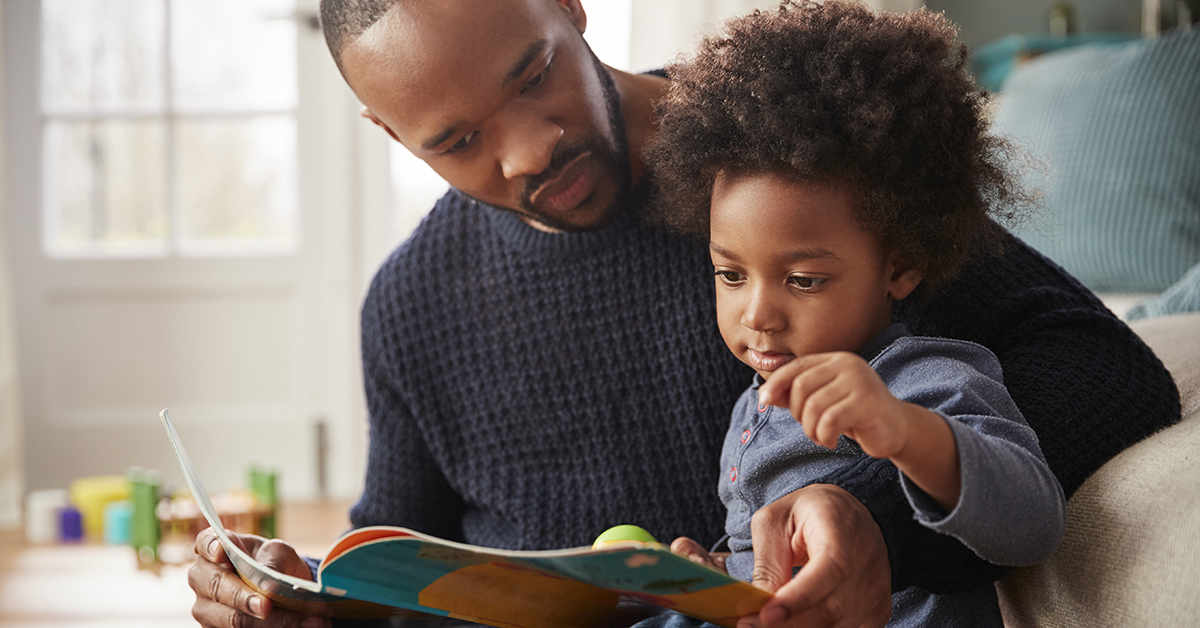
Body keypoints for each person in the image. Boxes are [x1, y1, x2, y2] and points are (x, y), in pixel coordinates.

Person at [185, 1, 1181, 627]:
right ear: (390, 133)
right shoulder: (409, 306)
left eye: (532, 75)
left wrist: (873, 521)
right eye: (455, 139)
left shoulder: (788, 168)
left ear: (571, 6)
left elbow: (1110, 374)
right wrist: (300, 595)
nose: (527, 150)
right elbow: (402, 550)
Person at [645, 2, 1065, 625]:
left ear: (901, 265)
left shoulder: (923, 378)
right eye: (730, 274)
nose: (758, 313)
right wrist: (715, 576)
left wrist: (902, 429)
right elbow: (771, 569)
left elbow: (1035, 522)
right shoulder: (751, 409)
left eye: (804, 280)